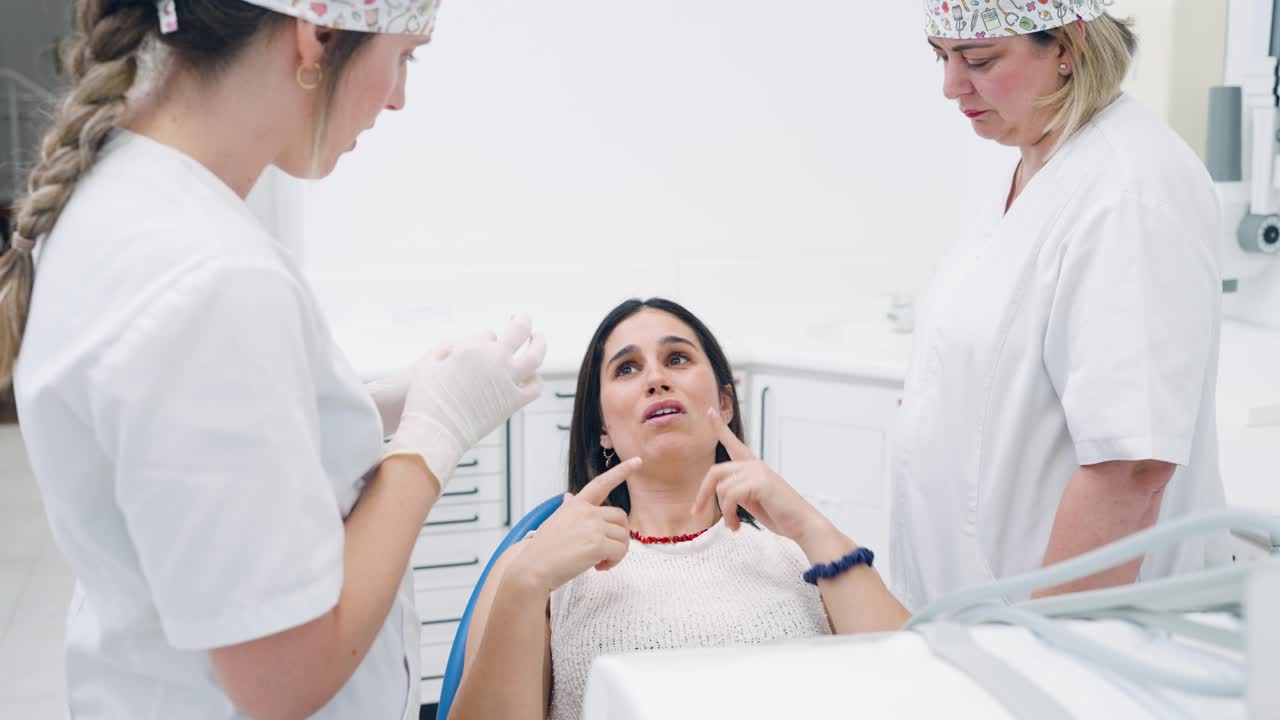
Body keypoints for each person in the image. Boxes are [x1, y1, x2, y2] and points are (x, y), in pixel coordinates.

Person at [0, 1, 544, 717]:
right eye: (404, 56)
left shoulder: (124, 199)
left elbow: (188, 462)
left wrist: (372, 404)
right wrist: (432, 441)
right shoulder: (210, 280)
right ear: (317, 34)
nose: (398, 98)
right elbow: (285, 674)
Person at [895, 0, 1229, 611]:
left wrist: (1044, 643)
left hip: (1070, 636)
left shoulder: (1129, 191)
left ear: (1068, 46)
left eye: (978, 59)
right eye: (942, 57)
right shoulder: (1034, 164)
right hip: (975, 613)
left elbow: (1132, 464)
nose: (950, 86)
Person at [450, 298, 908, 720]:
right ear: (603, 429)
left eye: (677, 359)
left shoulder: (804, 554)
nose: (656, 379)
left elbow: (920, 691)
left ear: (725, 403)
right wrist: (526, 582)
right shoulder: (540, 565)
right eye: (627, 368)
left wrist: (810, 527)